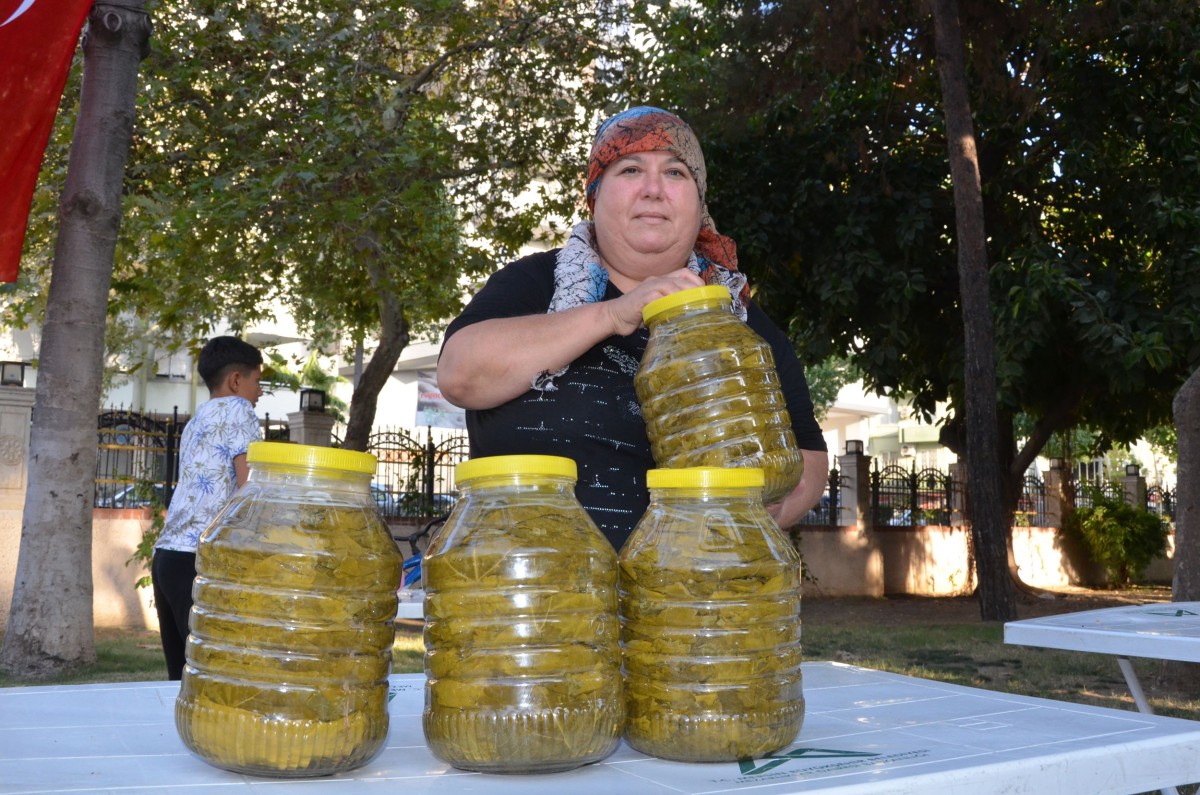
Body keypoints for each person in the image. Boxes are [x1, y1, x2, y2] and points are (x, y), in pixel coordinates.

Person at [438, 106, 829, 550]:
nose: (653, 190)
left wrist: (777, 506)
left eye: (676, 173)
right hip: (530, 592)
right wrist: (615, 313)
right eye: (630, 168)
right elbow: (459, 375)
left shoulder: (738, 320)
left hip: (680, 600)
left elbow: (807, 455)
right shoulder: (534, 285)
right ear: (594, 196)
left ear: (700, 204)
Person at [151, 336, 263, 680]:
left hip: (167, 557)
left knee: (181, 680)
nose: (259, 393)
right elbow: (250, 488)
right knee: (211, 677)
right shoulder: (239, 410)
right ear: (235, 381)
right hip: (200, 559)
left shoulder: (199, 419)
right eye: (258, 381)